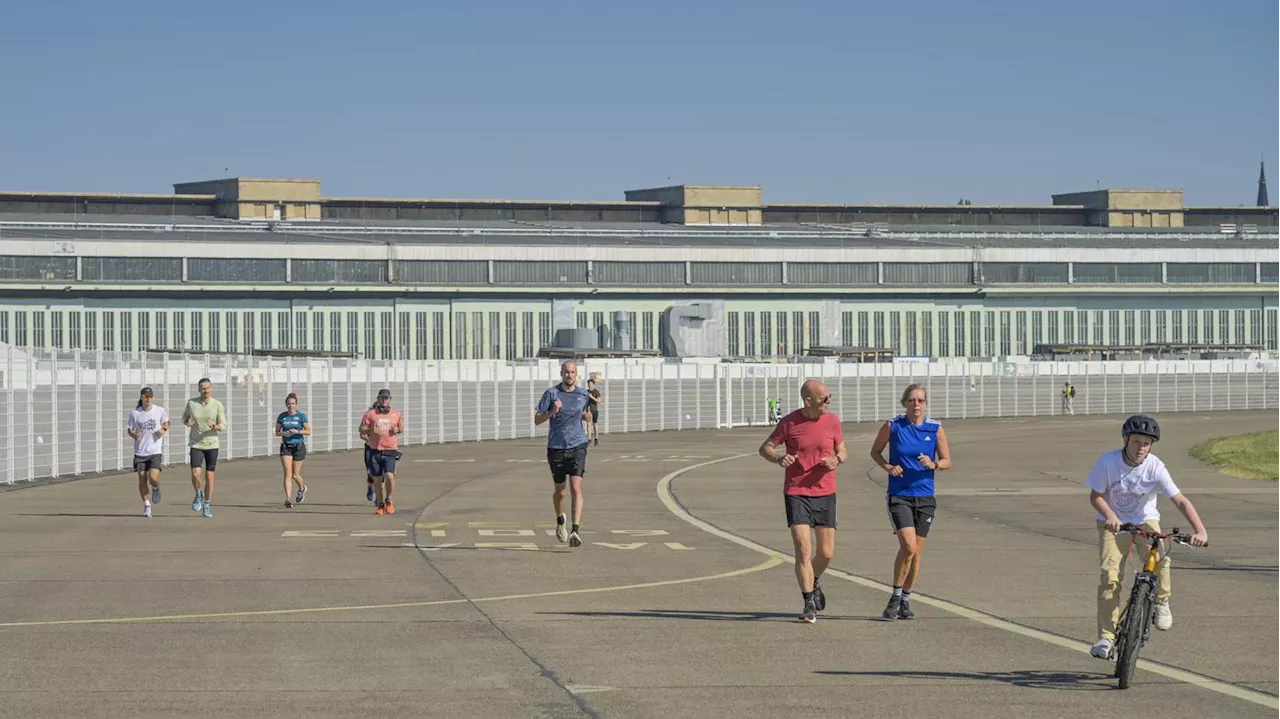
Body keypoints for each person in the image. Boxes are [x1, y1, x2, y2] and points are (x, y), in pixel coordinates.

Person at [1086, 414, 1209, 660]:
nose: (1141, 447)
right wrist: (1110, 515)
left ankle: (1161, 602)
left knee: (1161, 559)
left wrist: (1200, 530)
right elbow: (1095, 496)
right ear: (1126, 439)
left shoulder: (1155, 466)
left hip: (1145, 520)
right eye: (1136, 441)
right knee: (1110, 577)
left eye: (1146, 443)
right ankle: (1106, 638)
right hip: (1114, 524)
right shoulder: (1108, 462)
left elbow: (1180, 500)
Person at [758, 379, 847, 624]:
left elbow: (843, 452)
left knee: (826, 553)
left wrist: (835, 460)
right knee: (803, 550)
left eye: (830, 396)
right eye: (824, 398)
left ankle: (814, 580)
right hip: (797, 491)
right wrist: (778, 458)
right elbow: (765, 447)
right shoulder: (789, 422)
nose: (829, 401)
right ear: (808, 401)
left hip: (825, 491)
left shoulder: (833, 421)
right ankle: (808, 602)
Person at [869, 383, 951, 621]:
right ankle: (894, 596)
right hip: (900, 494)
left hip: (925, 496)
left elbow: (947, 461)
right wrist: (887, 466)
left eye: (921, 401)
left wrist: (933, 464)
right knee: (908, 547)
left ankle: (906, 599)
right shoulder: (893, 426)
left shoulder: (935, 429)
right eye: (912, 400)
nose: (917, 405)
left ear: (926, 404)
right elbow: (875, 452)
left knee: (916, 554)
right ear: (904, 403)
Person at [535, 360, 593, 548]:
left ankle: (575, 530)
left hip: (578, 445)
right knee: (560, 492)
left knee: (576, 487)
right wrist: (553, 410)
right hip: (556, 447)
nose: (570, 375)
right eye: (566, 372)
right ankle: (561, 521)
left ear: (577, 375)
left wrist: (586, 417)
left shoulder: (583, 394)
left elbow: (584, 413)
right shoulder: (551, 394)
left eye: (573, 372)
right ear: (561, 373)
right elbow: (537, 420)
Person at [182, 378, 226, 518]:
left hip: (212, 444)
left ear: (211, 388)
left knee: (209, 476)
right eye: (202, 388)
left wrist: (215, 426)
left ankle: (207, 504)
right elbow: (185, 419)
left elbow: (223, 425)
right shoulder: (191, 403)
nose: (205, 391)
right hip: (196, 443)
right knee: (196, 473)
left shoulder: (217, 405)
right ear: (198, 389)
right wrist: (188, 422)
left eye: (207, 388)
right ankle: (198, 493)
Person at [127, 387, 170, 518]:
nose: (148, 398)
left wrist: (163, 430)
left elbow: (167, 422)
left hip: (154, 450)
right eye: (145, 396)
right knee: (142, 478)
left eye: (150, 396)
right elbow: (129, 429)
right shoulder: (135, 413)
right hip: (140, 451)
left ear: (153, 397)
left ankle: (156, 488)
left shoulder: (160, 410)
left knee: (153, 478)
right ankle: (147, 506)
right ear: (141, 397)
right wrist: (133, 434)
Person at [360, 389, 404, 516]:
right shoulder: (370, 414)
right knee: (377, 479)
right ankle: (380, 503)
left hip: (390, 449)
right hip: (374, 450)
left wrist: (398, 429)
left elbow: (401, 427)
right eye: (382, 398)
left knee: (390, 476)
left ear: (390, 399)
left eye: (386, 398)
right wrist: (370, 430)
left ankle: (389, 499)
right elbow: (361, 429)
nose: (384, 400)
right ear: (378, 398)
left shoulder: (396, 414)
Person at [275, 392, 311, 508]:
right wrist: (284, 433)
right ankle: (288, 499)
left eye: (293, 404)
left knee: (295, 475)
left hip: (298, 446)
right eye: (289, 404)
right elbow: (277, 432)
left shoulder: (301, 416)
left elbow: (308, 431)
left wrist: (298, 431)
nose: (291, 406)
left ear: (296, 405)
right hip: (286, 446)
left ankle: (302, 488)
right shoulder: (282, 416)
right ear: (286, 405)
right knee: (287, 473)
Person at [584, 378, 603, 446]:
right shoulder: (586, 392)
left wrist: (592, 397)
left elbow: (599, 401)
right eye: (589, 384)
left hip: (594, 410)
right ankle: (589, 439)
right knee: (588, 424)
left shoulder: (596, 392)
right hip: (588, 410)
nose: (590, 385)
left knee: (595, 424)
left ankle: (596, 439)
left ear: (593, 385)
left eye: (591, 384)